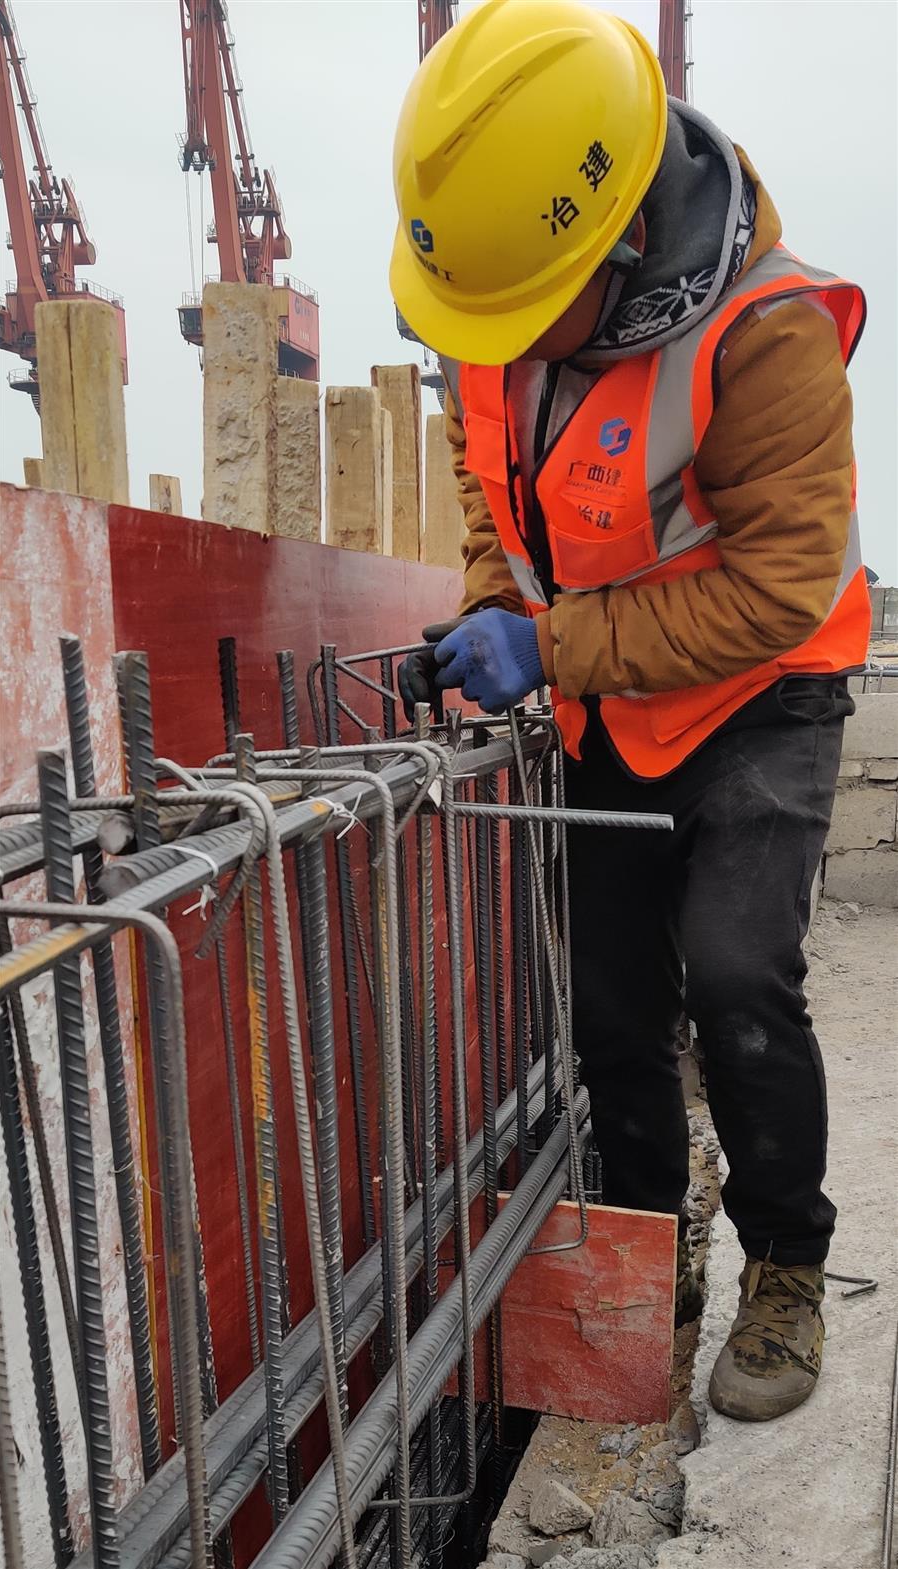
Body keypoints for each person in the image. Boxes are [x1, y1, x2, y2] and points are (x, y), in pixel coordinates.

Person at [393, 0, 870, 1423]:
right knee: (610, 1005)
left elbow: (780, 585)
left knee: (736, 976)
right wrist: (495, 605)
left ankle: (785, 1264)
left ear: (617, 252)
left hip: (763, 696)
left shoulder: (765, 332)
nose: (494, 344)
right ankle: (646, 1251)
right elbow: (495, 483)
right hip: (612, 699)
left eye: (520, 317)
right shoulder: (501, 298)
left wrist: (548, 645)